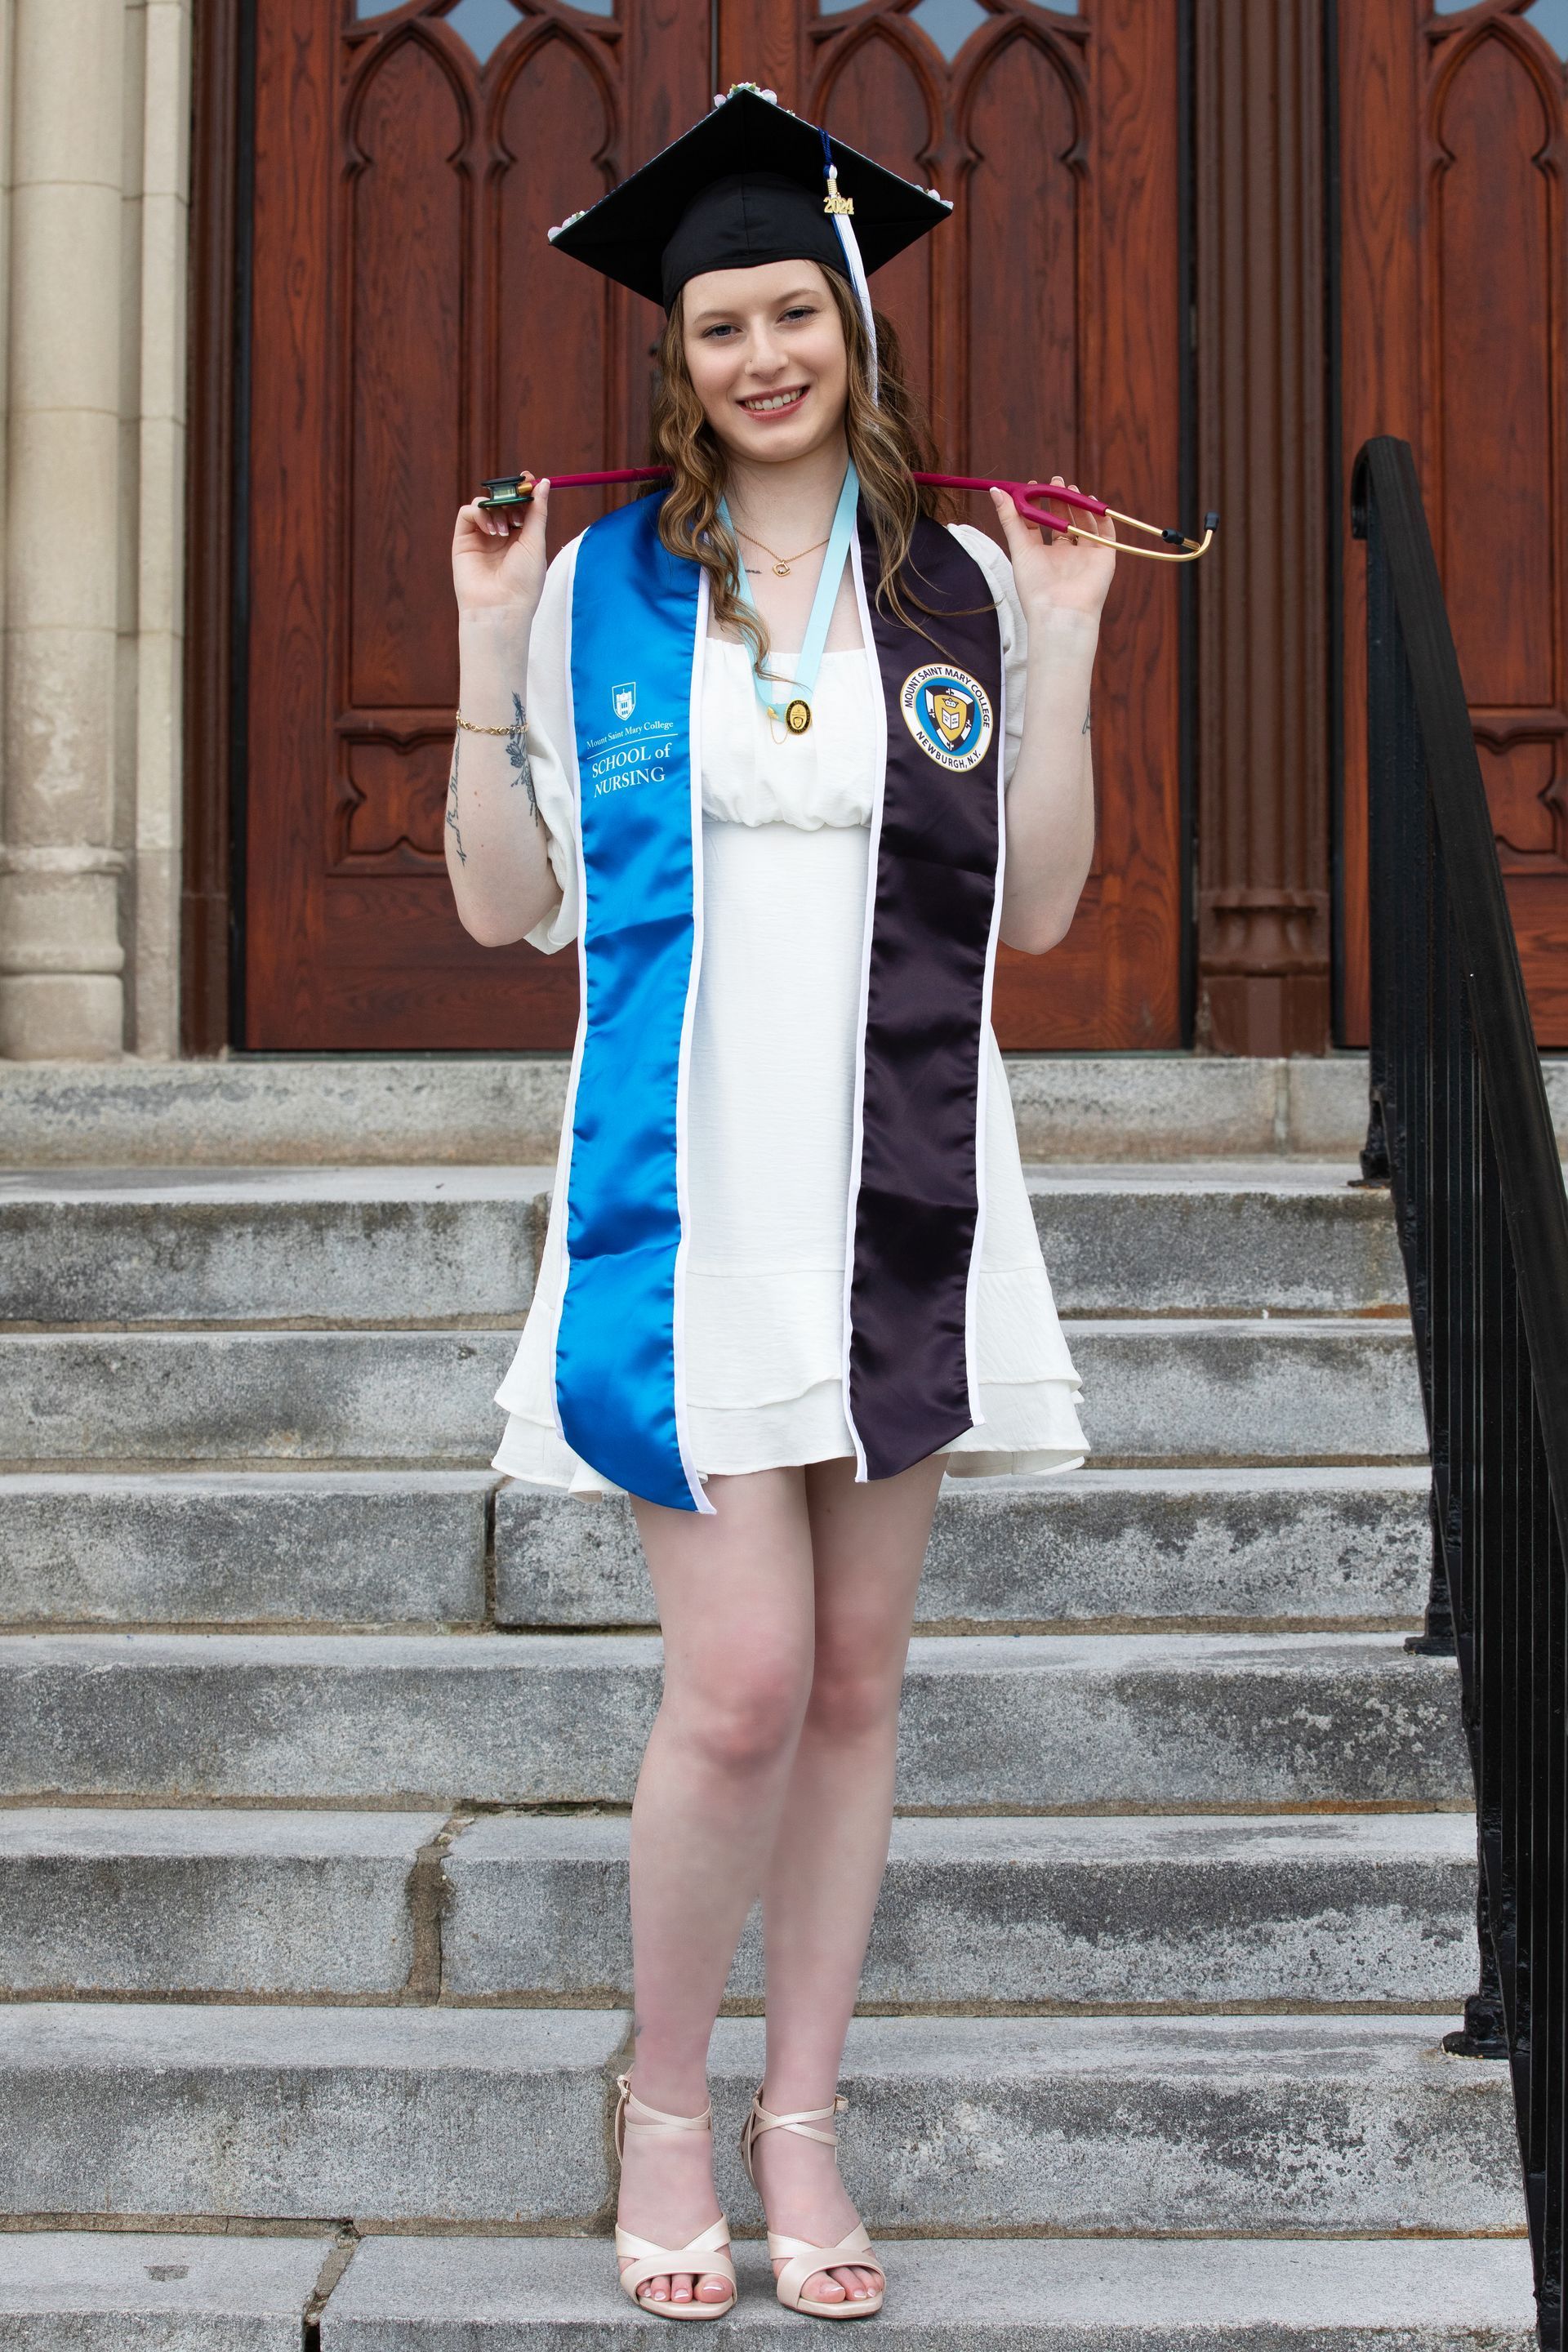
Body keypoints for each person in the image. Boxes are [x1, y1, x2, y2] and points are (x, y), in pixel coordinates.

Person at [444, 87, 1114, 2324]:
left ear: (849, 325)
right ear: (678, 348)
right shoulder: (605, 592)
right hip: (683, 1190)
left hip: (901, 1182)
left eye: (792, 313)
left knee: (851, 1677)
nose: (760, 355)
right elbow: (503, 902)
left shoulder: (964, 582)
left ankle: (799, 2115)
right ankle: (662, 2108)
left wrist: (1082, 648)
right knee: (731, 1683)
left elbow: (1038, 903)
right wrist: (478, 655)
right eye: (722, 321)